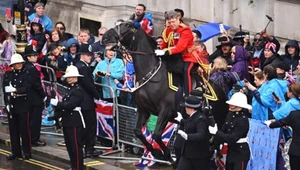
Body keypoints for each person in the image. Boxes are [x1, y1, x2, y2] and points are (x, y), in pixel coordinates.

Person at [158, 10, 203, 97]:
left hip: (188, 56)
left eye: (173, 22)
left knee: (186, 70)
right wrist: (161, 50)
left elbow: (180, 47)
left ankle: (188, 95)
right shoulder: (168, 30)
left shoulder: (185, 30)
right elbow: (164, 43)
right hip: (174, 57)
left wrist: (166, 52)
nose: (171, 24)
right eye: (169, 22)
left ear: (178, 19)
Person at [50, 65, 85, 170]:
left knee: (75, 147)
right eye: (68, 77)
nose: (69, 79)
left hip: (74, 121)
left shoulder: (78, 90)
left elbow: (70, 105)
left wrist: (58, 104)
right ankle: (74, 166)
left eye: (71, 77)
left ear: (76, 77)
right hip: (67, 121)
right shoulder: (70, 89)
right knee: (70, 147)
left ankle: (78, 167)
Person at [209, 92, 251, 170]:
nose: (230, 105)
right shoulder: (230, 114)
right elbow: (224, 129)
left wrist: (216, 132)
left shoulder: (243, 120)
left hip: (240, 152)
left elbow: (232, 138)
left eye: (233, 104)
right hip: (231, 151)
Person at [3, 53, 31, 160]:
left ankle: (27, 152)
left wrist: (16, 90)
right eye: (16, 63)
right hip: (12, 105)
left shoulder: (25, 74)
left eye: (20, 63)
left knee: (24, 130)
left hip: (23, 105)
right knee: (13, 130)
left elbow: (27, 88)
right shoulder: (8, 75)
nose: (19, 65)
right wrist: (7, 104)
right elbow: (5, 90)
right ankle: (16, 152)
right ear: (12, 65)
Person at [75, 43, 101, 158]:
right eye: (88, 55)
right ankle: (89, 150)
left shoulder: (79, 65)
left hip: (83, 101)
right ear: (83, 55)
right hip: (86, 102)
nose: (90, 57)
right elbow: (88, 85)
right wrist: (97, 95)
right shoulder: (82, 67)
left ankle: (86, 149)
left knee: (86, 126)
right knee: (90, 127)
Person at [175, 95, 211, 170]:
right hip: (187, 153)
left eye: (186, 107)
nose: (185, 108)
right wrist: (181, 121)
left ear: (191, 108)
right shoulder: (192, 116)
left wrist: (187, 136)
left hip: (198, 155)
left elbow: (201, 134)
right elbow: (190, 124)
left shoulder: (201, 119)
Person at [24, 45, 47, 147]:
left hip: (29, 98)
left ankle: (30, 138)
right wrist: (43, 95)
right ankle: (34, 139)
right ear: (28, 57)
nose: (35, 57)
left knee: (30, 120)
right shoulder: (32, 68)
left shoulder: (26, 67)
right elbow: (36, 84)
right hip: (35, 98)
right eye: (32, 55)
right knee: (35, 120)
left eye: (35, 55)